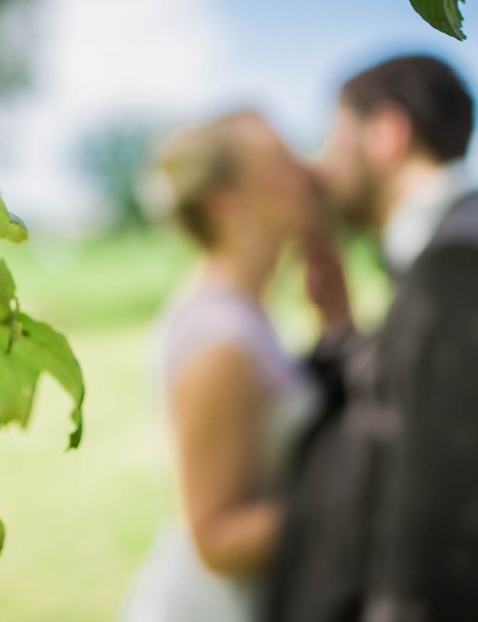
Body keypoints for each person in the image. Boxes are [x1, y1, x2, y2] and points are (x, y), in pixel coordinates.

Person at [267, 55, 478, 621]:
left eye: (334, 141)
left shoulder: (464, 269)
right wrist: (341, 331)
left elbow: (436, 555)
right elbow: (421, 401)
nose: (324, 169)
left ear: (387, 134)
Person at [118, 110, 331, 622]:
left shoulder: (245, 311)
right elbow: (215, 538)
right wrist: (359, 503)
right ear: (227, 203)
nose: (308, 174)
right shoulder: (220, 341)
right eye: (282, 164)